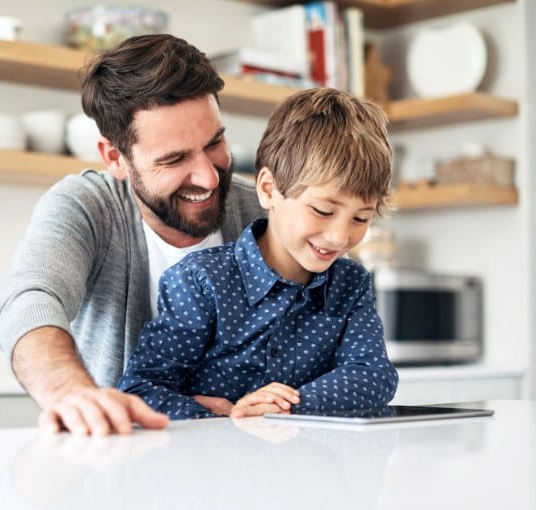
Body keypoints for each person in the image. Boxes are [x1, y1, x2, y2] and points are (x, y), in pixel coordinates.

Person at [0, 34, 265, 435]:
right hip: (121, 463)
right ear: (115, 159)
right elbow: (30, 301)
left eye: (215, 143)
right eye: (174, 159)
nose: (208, 176)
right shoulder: (87, 206)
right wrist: (71, 392)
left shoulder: (261, 212)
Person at [117, 87, 399, 419]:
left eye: (360, 218)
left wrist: (280, 407)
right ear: (268, 190)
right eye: (323, 211)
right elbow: (140, 390)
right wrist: (222, 416)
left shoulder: (351, 285)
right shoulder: (201, 281)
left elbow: (374, 376)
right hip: (214, 466)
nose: (339, 236)